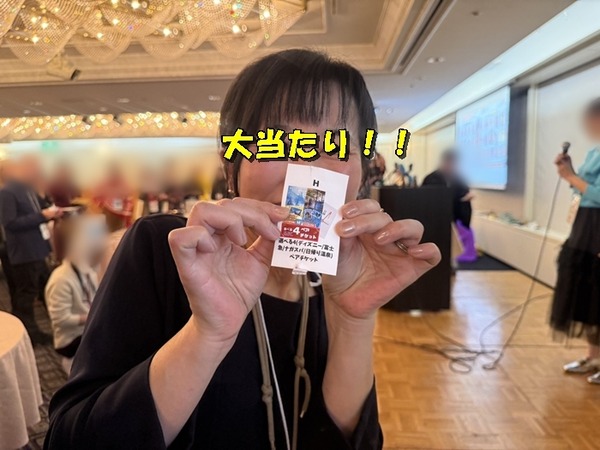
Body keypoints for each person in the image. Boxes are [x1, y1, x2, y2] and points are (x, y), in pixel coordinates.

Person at [44, 49, 441, 450]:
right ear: (231, 166)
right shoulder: (165, 250)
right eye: (277, 143)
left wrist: (354, 319)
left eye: (335, 145)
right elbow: (71, 440)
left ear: (363, 170)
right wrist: (207, 333)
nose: (307, 170)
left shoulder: (335, 275)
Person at [551, 98, 600, 384]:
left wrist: (571, 176)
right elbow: (584, 189)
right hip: (585, 228)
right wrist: (570, 174)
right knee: (587, 297)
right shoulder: (595, 151)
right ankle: (593, 357)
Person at [0, 155, 62, 345]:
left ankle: (50, 326)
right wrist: (42, 216)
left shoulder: (26, 189)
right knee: (26, 294)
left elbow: (40, 208)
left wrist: (50, 211)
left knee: (43, 286)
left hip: (37, 248)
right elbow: (10, 223)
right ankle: (28, 334)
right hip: (24, 251)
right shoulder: (7, 192)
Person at [45, 215, 106, 374]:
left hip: (87, 329)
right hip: (71, 340)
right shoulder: (61, 280)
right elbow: (61, 320)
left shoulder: (88, 271)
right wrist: (91, 316)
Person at [422, 149, 476, 262]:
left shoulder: (458, 178)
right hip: (438, 218)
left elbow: (463, 193)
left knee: (454, 248)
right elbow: (429, 197)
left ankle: (452, 263)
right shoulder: (431, 178)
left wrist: (466, 198)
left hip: (456, 217)